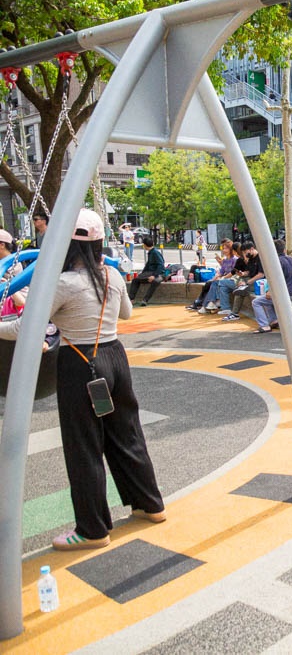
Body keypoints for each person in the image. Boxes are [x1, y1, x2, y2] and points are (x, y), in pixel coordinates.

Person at [0, 209, 165, 550]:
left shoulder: (63, 282)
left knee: (83, 445)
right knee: (127, 433)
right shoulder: (112, 275)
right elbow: (126, 313)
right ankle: (150, 504)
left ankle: (93, 529)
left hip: (80, 362)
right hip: (115, 356)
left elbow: (24, 328)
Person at [251, 239, 292, 333]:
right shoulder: (291, 260)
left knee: (257, 302)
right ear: (284, 250)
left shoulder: (276, 262)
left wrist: (270, 291)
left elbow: (276, 279)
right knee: (267, 300)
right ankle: (274, 320)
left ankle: (264, 325)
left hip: (281, 295)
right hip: (291, 292)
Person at [128, 236, 164, 306]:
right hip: (150, 273)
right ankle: (131, 299)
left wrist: (154, 276)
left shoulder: (155, 253)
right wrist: (142, 274)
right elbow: (148, 265)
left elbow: (161, 265)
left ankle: (145, 300)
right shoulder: (150, 252)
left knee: (155, 281)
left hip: (159, 274)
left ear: (144, 245)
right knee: (135, 280)